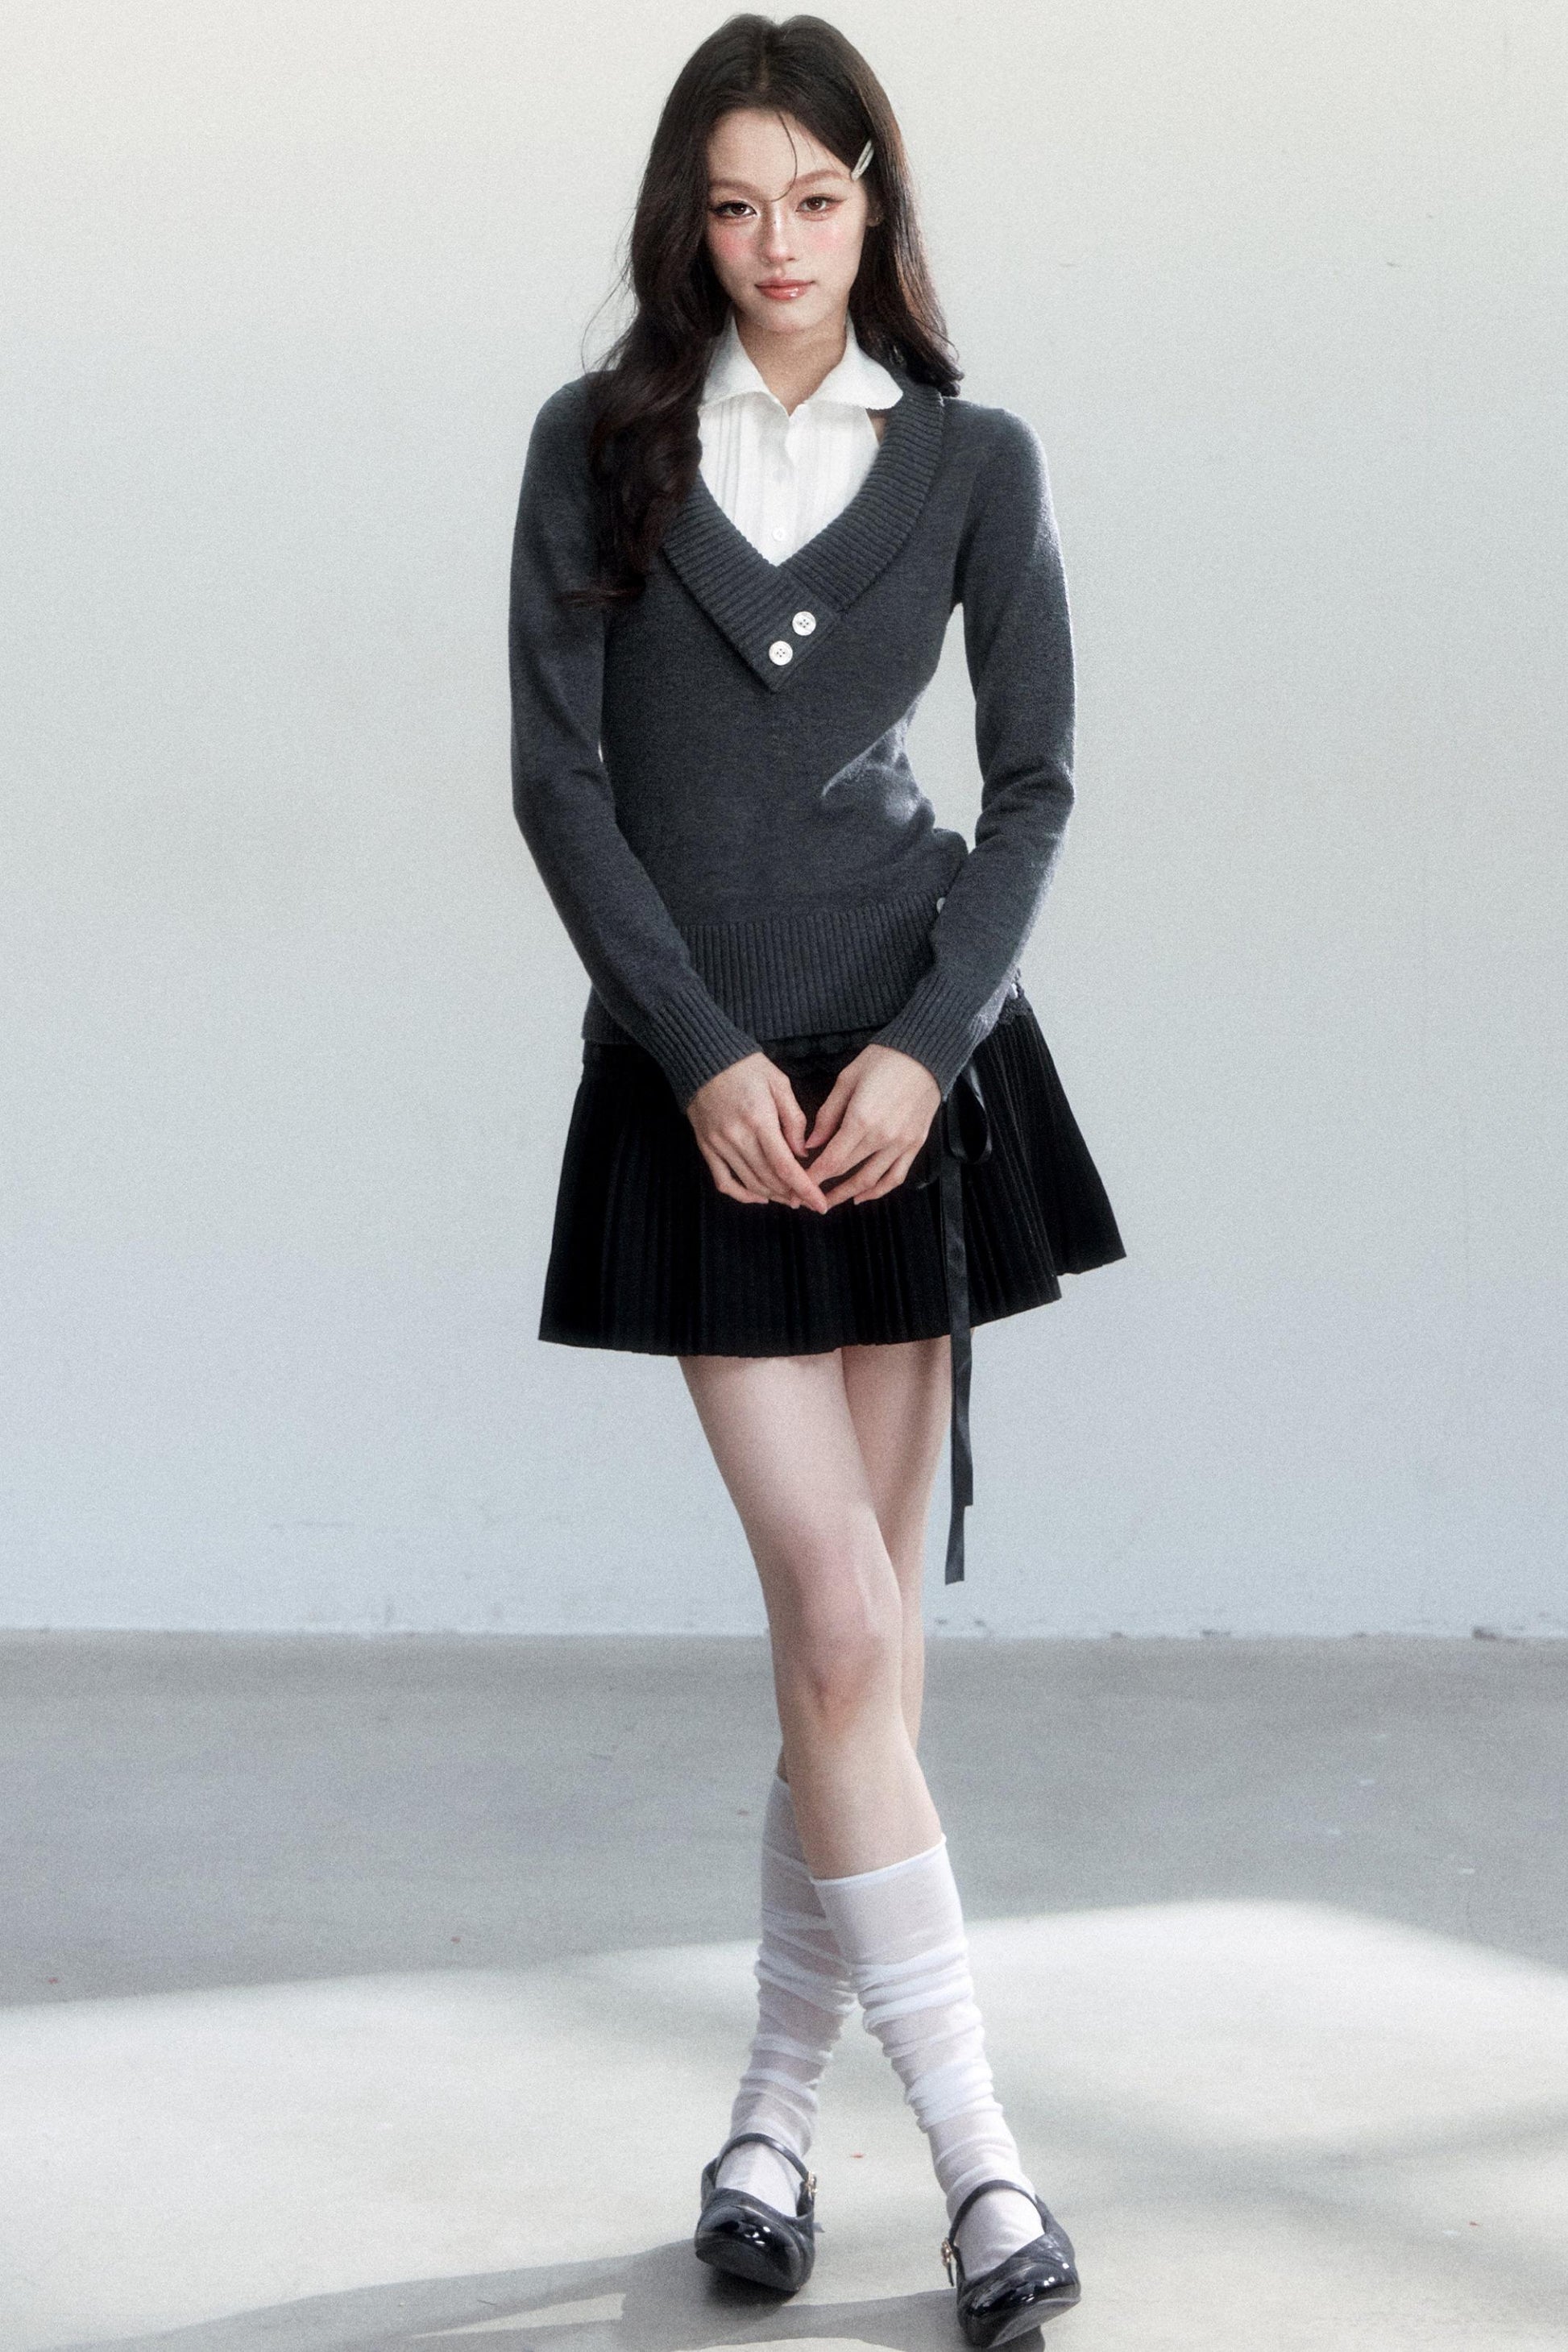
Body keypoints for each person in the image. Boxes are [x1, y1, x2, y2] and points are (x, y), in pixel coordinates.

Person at [507, 15, 1124, 2345]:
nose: (776, 244)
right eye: (735, 202)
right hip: (704, 1104)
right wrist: (693, 1057)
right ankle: (982, 2164)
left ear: (878, 206)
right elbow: (562, 787)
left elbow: (1034, 782)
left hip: (905, 1095)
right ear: (688, 216)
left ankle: (770, 2118)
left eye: (817, 199)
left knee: (851, 1658)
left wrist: (921, 1050)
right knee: (844, 1629)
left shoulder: (968, 460)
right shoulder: (598, 448)